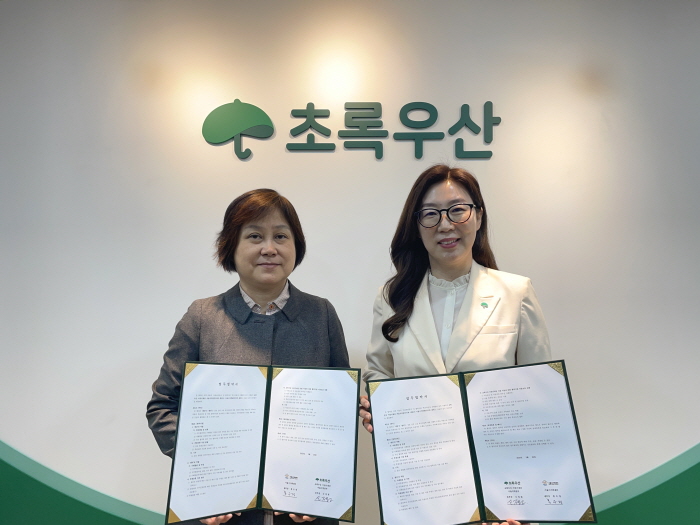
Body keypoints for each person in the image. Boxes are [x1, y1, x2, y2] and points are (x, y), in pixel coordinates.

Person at [359, 165, 551, 525]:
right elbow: (378, 371)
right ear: (417, 226)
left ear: (478, 216)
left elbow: (539, 401)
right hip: (419, 486)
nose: (445, 225)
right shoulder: (392, 297)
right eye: (430, 214)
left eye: (458, 210)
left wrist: (526, 504)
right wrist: (377, 406)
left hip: (497, 490)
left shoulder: (516, 292)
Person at [147, 189, 349, 525]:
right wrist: (204, 465)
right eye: (255, 236)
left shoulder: (322, 314)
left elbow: (339, 413)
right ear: (231, 246)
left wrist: (321, 478)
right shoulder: (202, 317)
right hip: (220, 509)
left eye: (280, 236)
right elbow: (163, 407)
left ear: (296, 246)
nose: (269, 248)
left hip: (305, 508)